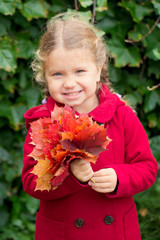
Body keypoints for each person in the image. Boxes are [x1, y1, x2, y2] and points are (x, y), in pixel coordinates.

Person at [22, 12, 158, 240]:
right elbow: (31, 182)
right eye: (57, 74)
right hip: (64, 232)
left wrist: (119, 178)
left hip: (114, 232)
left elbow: (147, 168)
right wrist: (68, 174)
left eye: (79, 71)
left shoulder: (120, 115)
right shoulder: (44, 122)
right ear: (45, 76)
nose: (69, 83)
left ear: (98, 69)